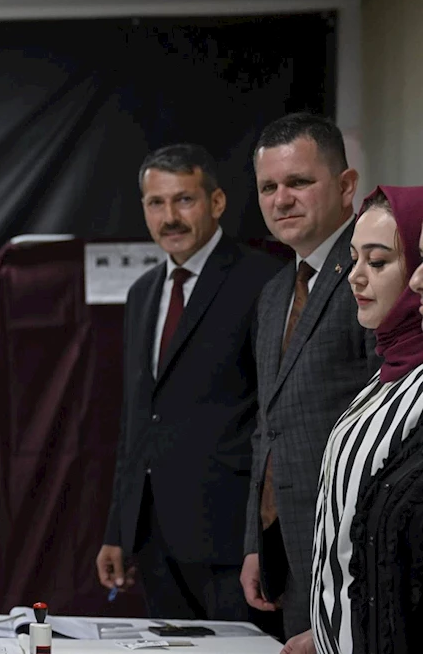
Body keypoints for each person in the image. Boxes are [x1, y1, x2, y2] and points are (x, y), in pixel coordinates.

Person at [96, 143, 281, 621]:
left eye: (184, 200)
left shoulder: (264, 280)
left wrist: (263, 534)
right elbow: (138, 419)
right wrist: (118, 528)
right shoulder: (142, 293)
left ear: (216, 202)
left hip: (231, 541)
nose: (169, 217)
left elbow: (275, 415)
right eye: (156, 203)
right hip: (154, 541)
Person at [241, 113, 380, 641]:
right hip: (289, 550)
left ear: (346, 186)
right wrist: (256, 540)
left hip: (354, 554)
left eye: (298, 182)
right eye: (268, 187)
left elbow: (390, 434)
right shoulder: (274, 292)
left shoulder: (374, 274)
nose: (282, 200)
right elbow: (267, 425)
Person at [279, 186, 423, 654]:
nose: (356, 276)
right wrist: (326, 630)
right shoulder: (381, 378)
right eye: (354, 259)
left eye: (378, 262)